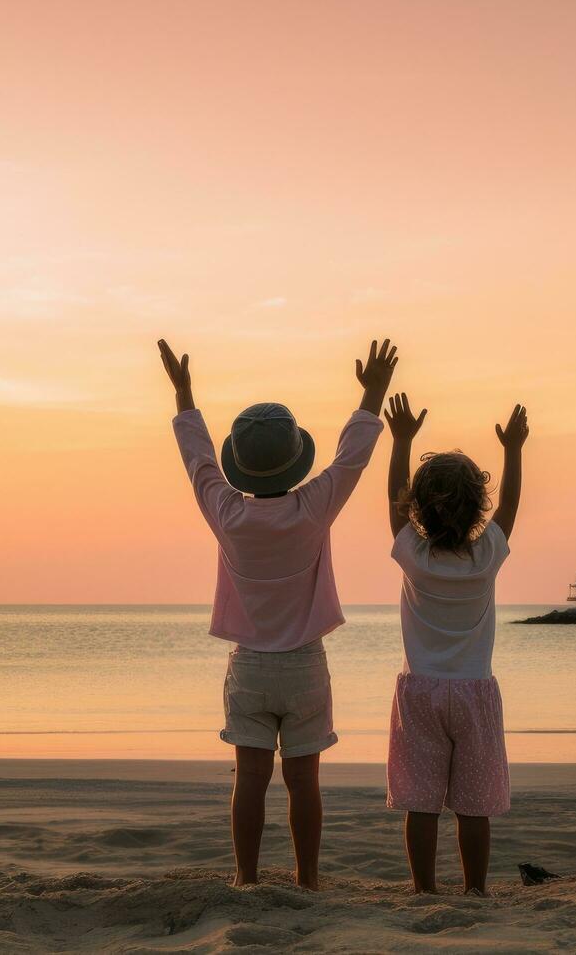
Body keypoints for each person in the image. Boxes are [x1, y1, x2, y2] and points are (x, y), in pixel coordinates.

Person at [157, 337, 397, 890]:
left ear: (239, 467)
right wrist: (372, 394)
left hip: (251, 669)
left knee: (250, 779)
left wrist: (184, 393)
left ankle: (245, 877)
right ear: (295, 459)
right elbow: (351, 458)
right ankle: (308, 879)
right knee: (303, 782)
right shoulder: (314, 507)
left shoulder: (227, 514)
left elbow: (197, 461)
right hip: (306, 666)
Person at [381, 392, 528, 895]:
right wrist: (514, 449)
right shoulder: (485, 555)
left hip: (419, 692)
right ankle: (475, 889)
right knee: (473, 804)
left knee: (420, 803)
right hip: (474, 693)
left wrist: (400, 440)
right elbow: (510, 506)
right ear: (475, 509)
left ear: (417, 508)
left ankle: (423, 888)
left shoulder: (415, 557)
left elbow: (391, 502)